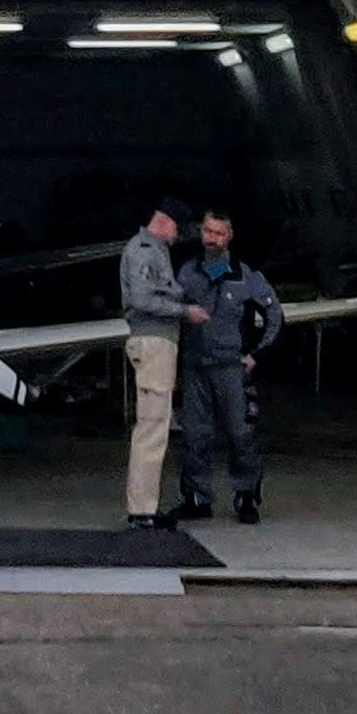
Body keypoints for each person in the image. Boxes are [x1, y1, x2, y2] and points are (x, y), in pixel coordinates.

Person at [169, 209, 281, 525]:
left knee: (240, 434)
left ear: (229, 236)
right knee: (194, 435)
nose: (212, 238)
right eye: (208, 231)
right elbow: (172, 308)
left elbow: (274, 316)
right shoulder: (188, 273)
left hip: (231, 368)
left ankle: (246, 496)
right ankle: (195, 497)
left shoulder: (246, 276)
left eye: (219, 233)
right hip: (195, 367)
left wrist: (258, 354)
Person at [116, 205, 187, 529]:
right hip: (153, 342)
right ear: (164, 221)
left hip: (158, 342)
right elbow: (143, 301)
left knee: (155, 424)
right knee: (152, 426)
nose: (178, 235)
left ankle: (145, 506)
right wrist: (184, 310)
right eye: (177, 227)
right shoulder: (145, 251)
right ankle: (142, 510)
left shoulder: (154, 250)